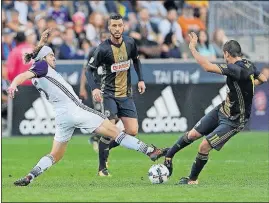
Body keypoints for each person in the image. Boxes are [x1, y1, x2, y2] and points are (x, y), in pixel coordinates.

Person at [7, 29, 166, 187]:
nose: (54, 58)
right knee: (116, 132)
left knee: (56, 154)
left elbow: (33, 60)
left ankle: (30, 176)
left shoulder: (38, 66)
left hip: (62, 116)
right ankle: (150, 151)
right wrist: (14, 84)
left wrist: (41, 42)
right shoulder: (42, 66)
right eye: (51, 55)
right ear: (43, 58)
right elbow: (23, 75)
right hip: (76, 109)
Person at [163, 32, 268, 185]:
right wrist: (245, 89)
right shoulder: (248, 63)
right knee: (193, 134)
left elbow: (207, 66)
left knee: (204, 146)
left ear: (226, 53)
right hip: (222, 110)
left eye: (224, 54)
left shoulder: (235, 69)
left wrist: (192, 48)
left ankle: (192, 180)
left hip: (235, 120)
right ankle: (168, 156)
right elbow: (263, 78)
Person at [85, 13, 147, 176]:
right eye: (114, 26)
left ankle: (106, 148)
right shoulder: (103, 49)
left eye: (120, 25)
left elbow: (136, 60)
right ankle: (102, 168)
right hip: (109, 94)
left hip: (126, 95)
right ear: (109, 27)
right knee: (110, 127)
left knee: (132, 131)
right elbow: (89, 70)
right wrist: (95, 88)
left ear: (124, 26)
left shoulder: (130, 42)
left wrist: (141, 79)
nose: (117, 28)